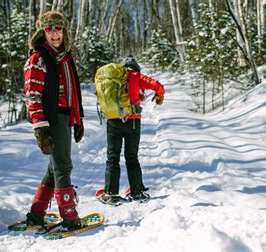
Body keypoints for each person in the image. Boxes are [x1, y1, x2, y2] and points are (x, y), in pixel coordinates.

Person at [22, 11, 85, 230]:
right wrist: (40, 127)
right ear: (43, 31)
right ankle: (69, 217)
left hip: (65, 117)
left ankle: (37, 213)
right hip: (51, 119)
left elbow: (73, 91)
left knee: (54, 168)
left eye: (58, 29)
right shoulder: (38, 58)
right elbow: (32, 95)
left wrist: (78, 120)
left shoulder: (65, 58)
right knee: (63, 166)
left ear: (63, 31)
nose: (55, 34)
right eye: (50, 29)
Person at [97, 56, 165, 205]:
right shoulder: (136, 76)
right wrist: (159, 96)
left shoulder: (113, 77)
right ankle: (136, 192)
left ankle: (110, 193)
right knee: (131, 157)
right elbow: (158, 85)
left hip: (113, 120)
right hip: (132, 121)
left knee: (112, 157)